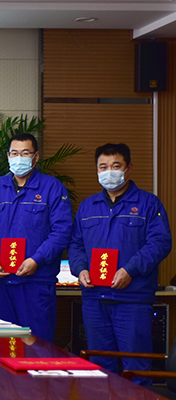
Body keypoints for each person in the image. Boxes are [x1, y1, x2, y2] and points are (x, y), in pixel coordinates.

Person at [69, 143, 171, 384]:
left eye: (116, 166)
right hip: (94, 299)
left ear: (128, 168)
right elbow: (75, 244)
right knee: (99, 368)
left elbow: (160, 243)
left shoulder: (148, 204)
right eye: (103, 167)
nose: (109, 172)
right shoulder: (87, 207)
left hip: (132, 299)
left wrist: (130, 270)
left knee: (136, 368)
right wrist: (80, 269)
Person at [0, 133, 72, 343]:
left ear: (36, 157)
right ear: (8, 156)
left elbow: (62, 231)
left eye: (25, 153)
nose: (19, 158)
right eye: (14, 153)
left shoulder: (52, 187)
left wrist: (36, 260)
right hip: (2, 281)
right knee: (7, 344)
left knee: (37, 345)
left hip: (36, 282)